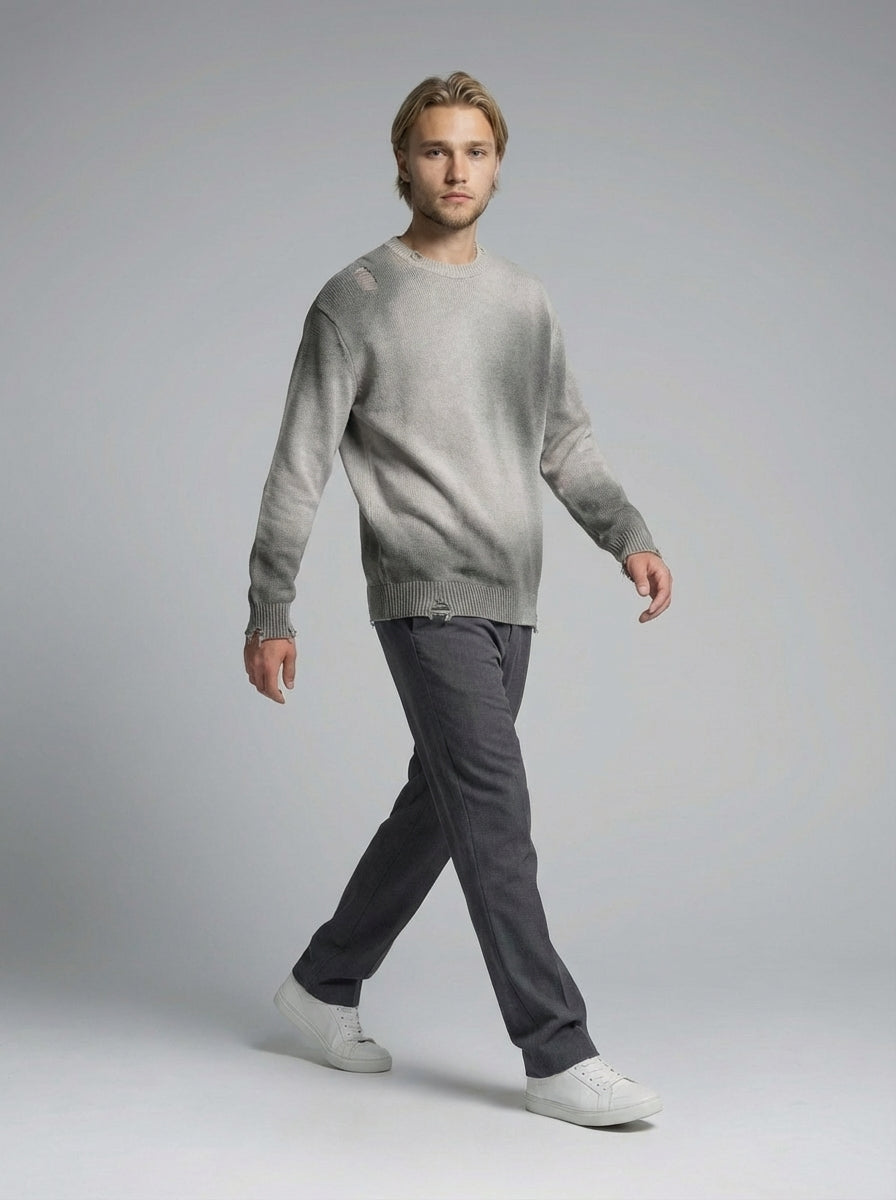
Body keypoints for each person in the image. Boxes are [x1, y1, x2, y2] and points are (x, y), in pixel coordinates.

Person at [243, 71, 672, 1128]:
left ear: (497, 164)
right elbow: (300, 463)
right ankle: (557, 1051)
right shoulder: (356, 298)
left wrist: (627, 533)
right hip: (422, 590)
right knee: (493, 808)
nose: (455, 169)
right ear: (403, 161)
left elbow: (564, 444)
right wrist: (271, 608)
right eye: (435, 149)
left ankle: (321, 985)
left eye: (474, 151)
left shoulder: (524, 301)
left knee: (440, 804)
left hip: (512, 596)